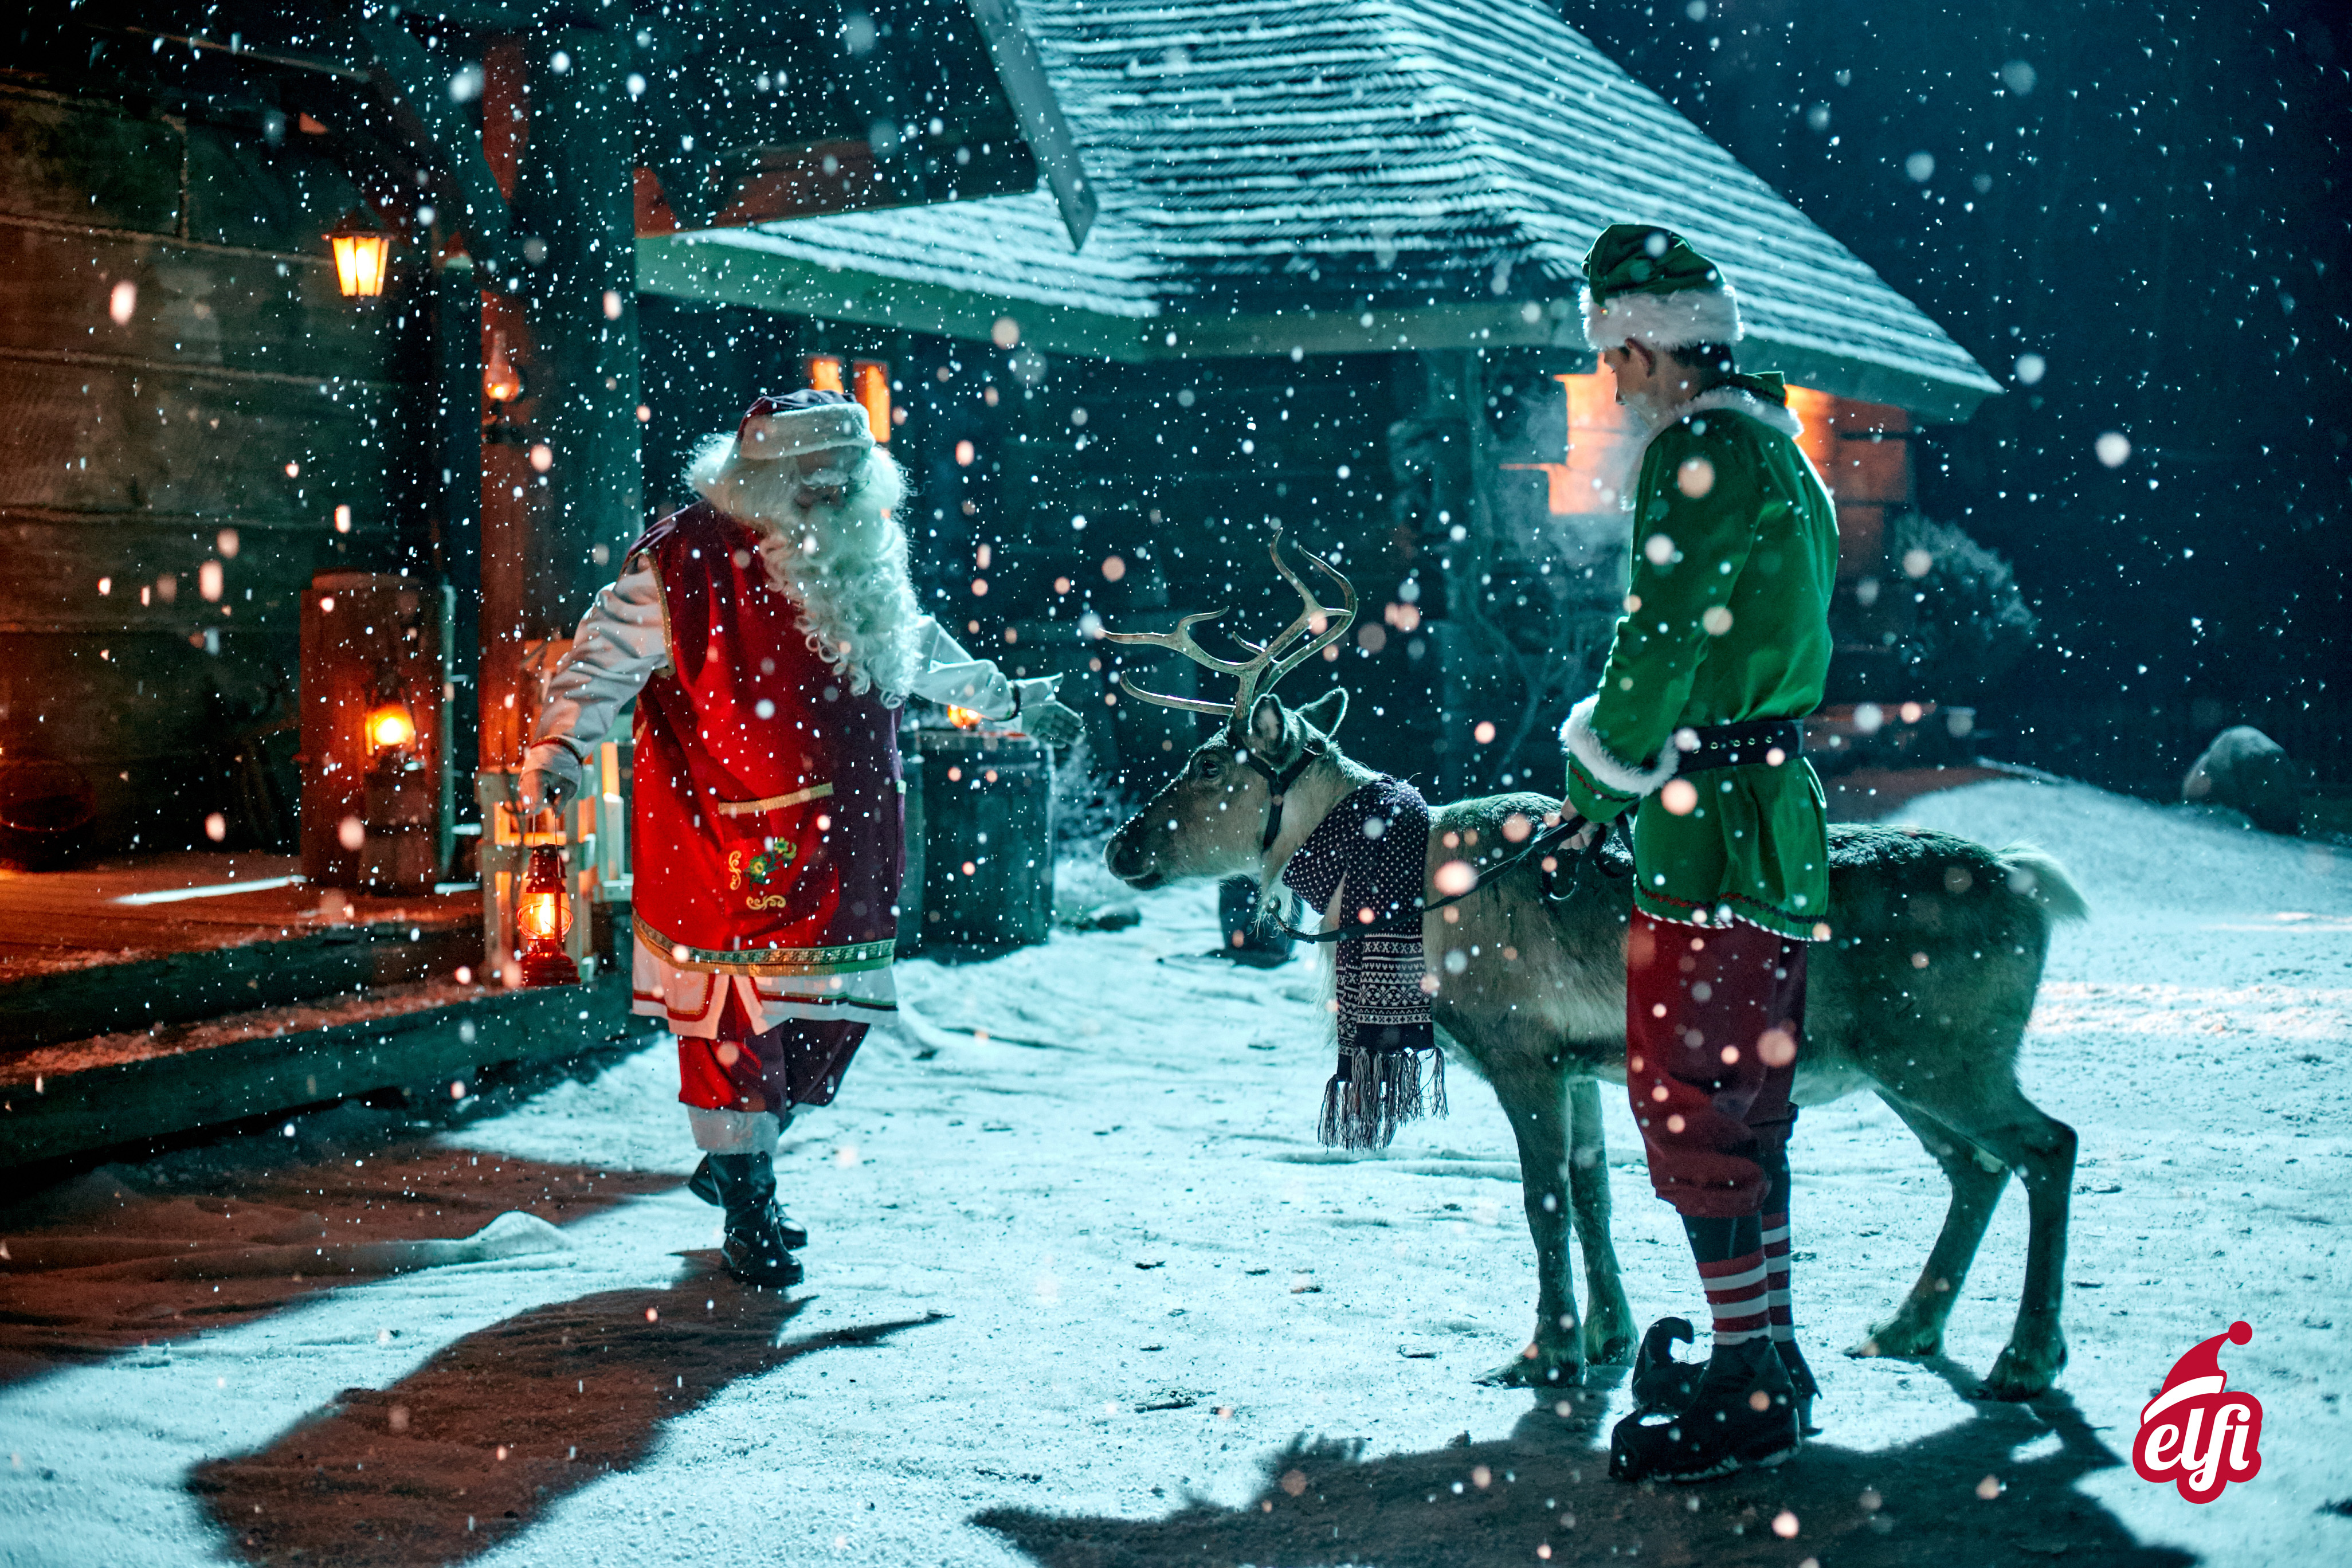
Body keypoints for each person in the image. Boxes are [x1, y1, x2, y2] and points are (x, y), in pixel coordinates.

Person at [519, 390, 1083, 1287]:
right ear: (763, 479)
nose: (833, 494)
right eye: (813, 480)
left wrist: (1005, 696)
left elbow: (912, 646)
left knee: (826, 1019)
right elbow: (599, 660)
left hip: (850, 841)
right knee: (733, 1023)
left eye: (847, 476)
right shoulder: (683, 562)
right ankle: (750, 1208)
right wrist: (559, 745)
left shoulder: (861, 550)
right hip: (730, 841)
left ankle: (744, 1158)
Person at [1556, 225, 1838, 1481]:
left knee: (1687, 1100)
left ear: (1641, 343)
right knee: (1748, 1106)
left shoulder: (1700, 455)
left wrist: (1592, 774)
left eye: (1614, 360)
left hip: (1707, 833)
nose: (1614, 387)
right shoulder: (1790, 461)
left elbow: (1659, 642)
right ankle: (1763, 1351)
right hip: (1776, 824)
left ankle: (1747, 1387)